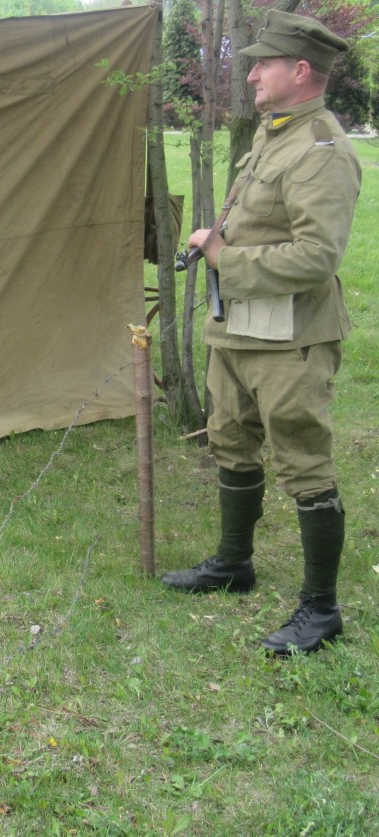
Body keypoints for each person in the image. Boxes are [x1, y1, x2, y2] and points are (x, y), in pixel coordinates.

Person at [161, 11, 360, 655]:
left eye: (262, 64)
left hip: (292, 338)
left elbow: (317, 257)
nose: (250, 75)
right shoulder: (274, 135)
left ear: (299, 71)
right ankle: (233, 563)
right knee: (230, 439)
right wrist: (215, 242)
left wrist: (225, 258)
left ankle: (321, 609)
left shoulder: (322, 149)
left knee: (303, 459)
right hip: (239, 327)